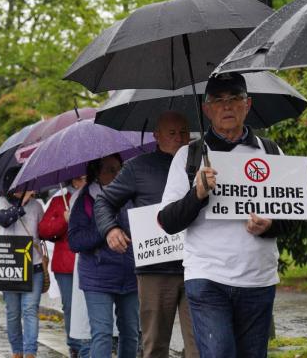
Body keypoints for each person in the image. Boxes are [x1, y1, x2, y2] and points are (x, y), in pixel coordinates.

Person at [158, 73, 293, 358]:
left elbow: (292, 216)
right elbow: (167, 221)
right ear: (207, 109)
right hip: (208, 277)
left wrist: (269, 225)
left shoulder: (271, 151)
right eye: (218, 101)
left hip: (258, 279)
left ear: (248, 104)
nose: (227, 106)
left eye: (235, 99)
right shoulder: (188, 156)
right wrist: (196, 194)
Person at [94, 112, 197, 358]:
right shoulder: (138, 167)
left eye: (184, 132)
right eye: (171, 133)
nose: (179, 138)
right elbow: (104, 201)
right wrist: (111, 229)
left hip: (198, 266)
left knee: (199, 345)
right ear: (156, 136)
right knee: (155, 345)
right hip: (156, 270)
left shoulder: (202, 161)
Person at [68, 154, 139, 358]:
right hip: (97, 277)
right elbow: (75, 241)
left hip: (130, 274)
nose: (116, 174)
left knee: (131, 332)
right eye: (109, 170)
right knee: (102, 334)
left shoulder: (132, 194)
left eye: (119, 168)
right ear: (96, 174)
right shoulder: (85, 200)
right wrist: (106, 227)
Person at [0, 167, 44, 358]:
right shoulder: (0, 202)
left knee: (30, 311)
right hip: (9, 266)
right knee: (13, 313)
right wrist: (22, 203)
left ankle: (30, 352)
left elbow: (45, 230)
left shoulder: (37, 205)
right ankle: (17, 352)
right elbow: (5, 220)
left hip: (34, 265)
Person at [39, 176, 89, 358]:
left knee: (90, 306)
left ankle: (89, 345)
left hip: (89, 260)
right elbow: (44, 230)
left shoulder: (94, 196)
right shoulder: (59, 200)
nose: (84, 181)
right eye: (80, 178)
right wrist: (64, 220)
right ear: (73, 181)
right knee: (70, 306)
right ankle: (75, 345)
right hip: (65, 264)